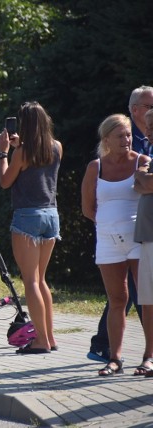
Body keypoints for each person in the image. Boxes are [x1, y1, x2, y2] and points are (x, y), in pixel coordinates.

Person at [88, 86, 152, 362]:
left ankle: (147, 355)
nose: (126, 139)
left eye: (128, 136)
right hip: (110, 239)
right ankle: (110, 353)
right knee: (120, 298)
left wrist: (142, 178)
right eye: (149, 106)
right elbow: (88, 207)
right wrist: (107, 225)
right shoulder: (98, 165)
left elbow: (145, 182)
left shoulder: (143, 153)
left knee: (145, 298)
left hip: (142, 233)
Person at [0, 101, 62, 355]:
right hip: (51, 214)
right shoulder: (57, 147)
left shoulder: (21, 152)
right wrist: (16, 148)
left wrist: (3, 152)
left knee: (30, 281)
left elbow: (5, 181)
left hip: (27, 217)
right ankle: (50, 337)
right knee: (42, 279)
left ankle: (41, 341)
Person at [132, 108, 153, 376]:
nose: (147, 131)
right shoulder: (148, 155)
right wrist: (143, 177)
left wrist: (144, 179)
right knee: (148, 300)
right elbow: (140, 182)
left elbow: (146, 181)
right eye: (147, 126)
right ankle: (149, 353)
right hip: (147, 236)